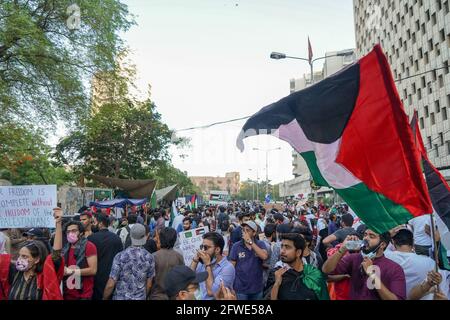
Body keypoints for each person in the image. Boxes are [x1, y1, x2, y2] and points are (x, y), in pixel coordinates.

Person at [322, 230, 406, 300]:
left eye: (371, 236)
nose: (366, 238)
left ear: (382, 245)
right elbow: (326, 270)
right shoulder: (354, 258)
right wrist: (342, 249)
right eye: (365, 235)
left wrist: (372, 275)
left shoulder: (394, 268)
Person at [0, 208, 64, 300]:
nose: (20, 259)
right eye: (20, 255)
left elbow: (56, 254)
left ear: (37, 259)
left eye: (24, 256)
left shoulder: (44, 277)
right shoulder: (14, 273)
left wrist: (58, 223)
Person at [385, 228, 449, 300]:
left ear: (393, 242)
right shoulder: (429, 262)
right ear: (413, 242)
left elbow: (380, 247)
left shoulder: (386, 256)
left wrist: (389, 235)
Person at [265, 233, 329, 300]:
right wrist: (276, 284)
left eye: (287, 247)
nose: (282, 251)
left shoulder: (314, 274)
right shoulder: (276, 273)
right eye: (282, 247)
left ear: (298, 252)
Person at [103, 224, 155, 300]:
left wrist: (105, 297)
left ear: (130, 236)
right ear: (145, 236)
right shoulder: (149, 257)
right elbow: (149, 284)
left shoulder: (120, 256)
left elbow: (111, 283)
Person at [229, 221, 268, 300]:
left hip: (257, 288)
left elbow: (264, 256)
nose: (244, 233)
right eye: (243, 230)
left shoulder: (260, 244)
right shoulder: (236, 246)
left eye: (248, 230)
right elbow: (231, 267)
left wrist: (250, 242)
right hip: (240, 288)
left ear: (254, 233)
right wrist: (231, 286)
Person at [88, 214, 123, 300]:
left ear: (100, 224)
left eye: (94, 222)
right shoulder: (117, 239)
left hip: (96, 277)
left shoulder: (91, 238)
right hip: (112, 276)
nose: (93, 224)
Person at [190, 232, 235, 300]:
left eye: (206, 247)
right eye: (202, 247)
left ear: (217, 250)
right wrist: (195, 260)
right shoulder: (202, 262)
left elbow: (211, 292)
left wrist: (208, 265)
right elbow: (189, 277)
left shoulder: (228, 268)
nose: (202, 250)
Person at [62, 220, 98, 300]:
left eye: (74, 231)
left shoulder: (89, 246)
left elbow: (93, 270)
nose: (70, 233)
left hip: (83, 294)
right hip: (67, 292)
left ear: (81, 233)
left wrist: (70, 271)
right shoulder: (65, 248)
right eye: (68, 232)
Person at [149, 227, 185, 300]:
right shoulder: (179, 257)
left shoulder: (154, 256)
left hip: (156, 296)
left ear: (160, 239)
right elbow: (182, 279)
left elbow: (149, 282)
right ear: (174, 240)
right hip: (173, 296)